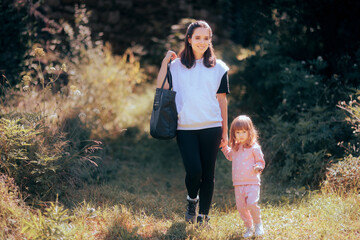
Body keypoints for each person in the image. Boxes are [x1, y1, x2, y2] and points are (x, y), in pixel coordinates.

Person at [156, 20, 230, 225]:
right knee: (194, 171)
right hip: (185, 128)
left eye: (206, 38)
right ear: (189, 39)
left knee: (208, 174)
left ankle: (203, 216)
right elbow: (161, 87)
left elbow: (222, 100)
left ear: (210, 41)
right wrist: (164, 63)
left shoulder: (219, 68)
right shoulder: (176, 66)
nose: (202, 42)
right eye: (197, 37)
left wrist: (225, 131)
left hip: (212, 127)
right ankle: (191, 200)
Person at [221, 115, 265, 238]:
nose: (240, 135)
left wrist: (258, 167)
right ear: (233, 134)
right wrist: (224, 147)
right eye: (238, 132)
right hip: (238, 184)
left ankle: (258, 224)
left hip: (252, 182)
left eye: (244, 132)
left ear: (249, 132)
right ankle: (249, 227)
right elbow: (229, 155)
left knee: (252, 203)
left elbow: (260, 161)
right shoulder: (235, 148)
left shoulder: (254, 148)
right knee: (241, 208)